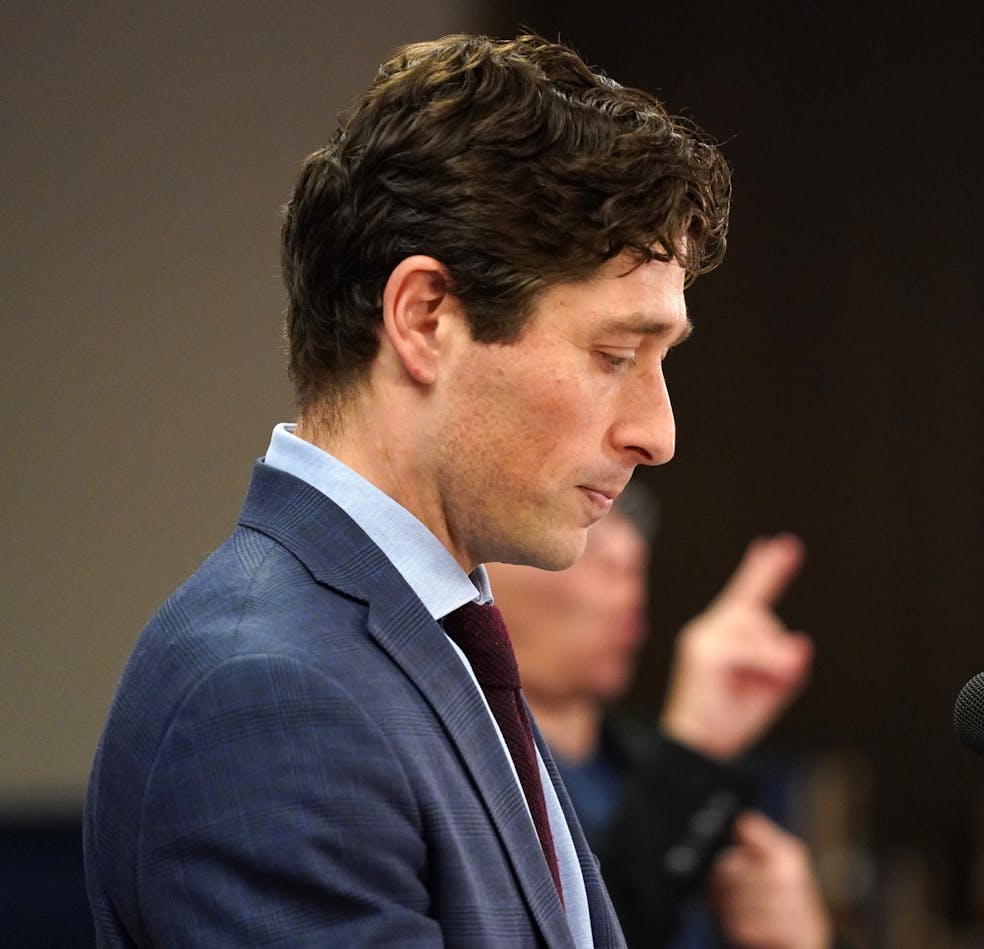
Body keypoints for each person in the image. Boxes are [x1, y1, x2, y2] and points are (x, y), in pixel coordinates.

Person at [84, 33, 730, 948]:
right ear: (425, 319)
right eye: (614, 355)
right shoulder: (270, 697)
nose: (656, 433)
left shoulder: (433, 630)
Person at [487, 491, 837, 949]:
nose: (628, 579)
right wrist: (694, 750)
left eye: (635, 562)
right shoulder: (461, 772)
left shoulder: (656, 766)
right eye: (592, 550)